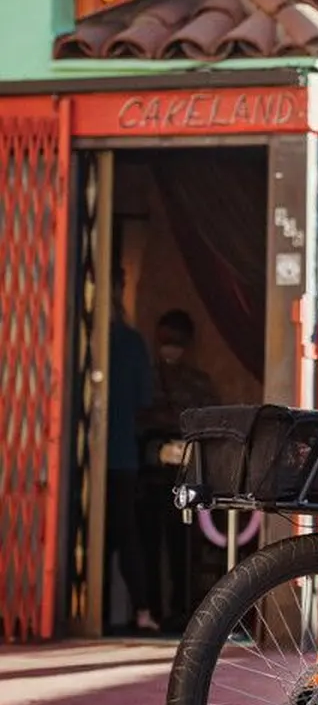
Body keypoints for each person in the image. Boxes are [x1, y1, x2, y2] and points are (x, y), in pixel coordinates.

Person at [140, 308, 220, 630]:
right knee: (148, 546)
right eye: (165, 340)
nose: (170, 347)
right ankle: (153, 609)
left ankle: (181, 612)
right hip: (150, 473)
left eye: (176, 341)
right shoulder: (146, 377)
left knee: (183, 547)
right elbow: (139, 419)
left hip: (186, 473)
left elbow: (211, 422)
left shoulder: (198, 383)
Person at [105, 266, 158, 633]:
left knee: (104, 535)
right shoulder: (130, 342)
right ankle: (141, 611)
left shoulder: (89, 339)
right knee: (125, 533)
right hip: (122, 452)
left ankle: (89, 610)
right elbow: (144, 401)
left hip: (87, 456)